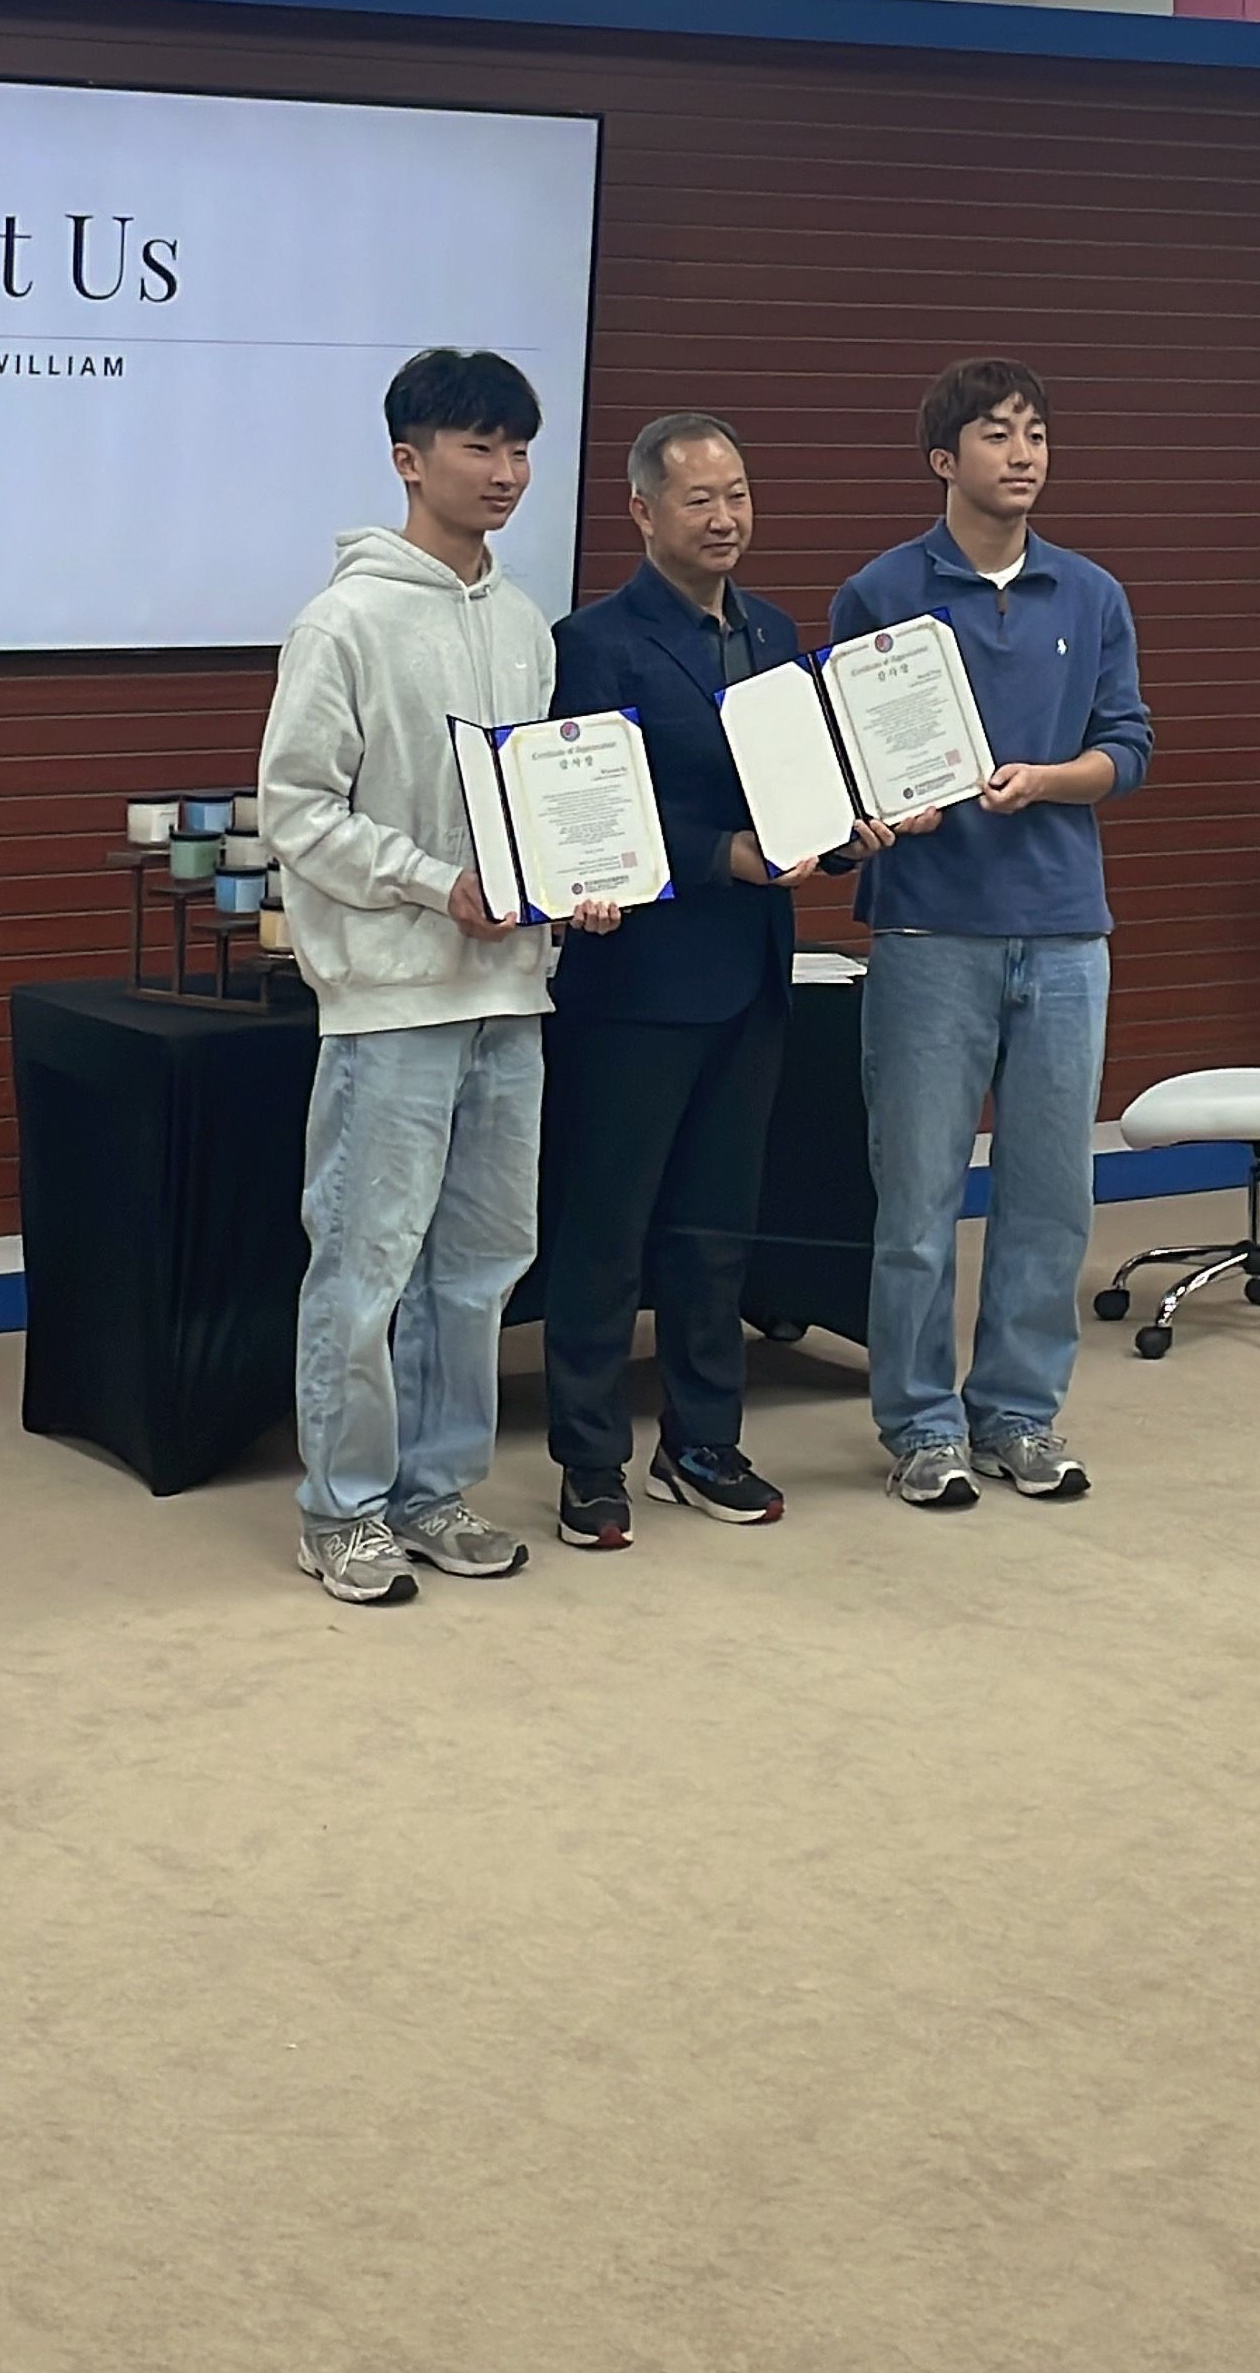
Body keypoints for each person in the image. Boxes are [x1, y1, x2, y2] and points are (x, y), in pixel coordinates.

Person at [259, 345, 617, 1606]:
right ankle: (340, 1510)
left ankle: (433, 1490)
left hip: (510, 992)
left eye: (520, 449)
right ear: (409, 460)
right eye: (479, 447)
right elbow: (297, 809)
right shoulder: (345, 622)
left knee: (479, 1264)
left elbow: (542, 801)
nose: (506, 472)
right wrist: (432, 883)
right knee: (365, 1266)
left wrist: (581, 877)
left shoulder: (522, 623)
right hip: (392, 999)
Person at [537, 412, 878, 1550]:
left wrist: (845, 833)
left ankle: (700, 1442)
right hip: (634, 984)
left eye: (737, 494)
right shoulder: (593, 642)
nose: (725, 517)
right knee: (605, 1230)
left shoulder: (774, 631)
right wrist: (716, 855)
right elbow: (589, 814)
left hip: (751, 975)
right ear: (641, 511)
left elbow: (794, 790)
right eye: (699, 498)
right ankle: (590, 1461)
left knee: (715, 1229)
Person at [829, 357, 1151, 1513]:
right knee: (917, 1199)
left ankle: (1017, 1411)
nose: (1021, 454)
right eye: (995, 434)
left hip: (1062, 930)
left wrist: (1051, 779)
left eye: (1035, 434)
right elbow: (849, 760)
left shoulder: (1089, 593)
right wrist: (877, 808)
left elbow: (1128, 746)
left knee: (1048, 1194)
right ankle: (920, 1426)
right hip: (928, 929)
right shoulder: (878, 592)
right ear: (942, 458)